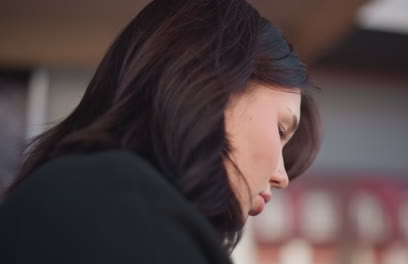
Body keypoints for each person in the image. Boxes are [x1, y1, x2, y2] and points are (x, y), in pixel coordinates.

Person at [0, 0, 320, 263]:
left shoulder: (79, 195)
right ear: (214, 87)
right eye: (280, 130)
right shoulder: (120, 211)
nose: (282, 176)